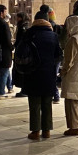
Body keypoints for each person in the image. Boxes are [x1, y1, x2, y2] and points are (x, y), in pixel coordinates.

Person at [21, 11, 62, 140]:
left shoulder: (29, 33)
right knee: (47, 103)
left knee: (34, 104)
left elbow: (21, 51)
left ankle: (35, 131)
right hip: (48, 73)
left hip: (32, 73)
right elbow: (59, 55)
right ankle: (47, 131)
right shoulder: (53, 35)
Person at [12, 12, 30, 97]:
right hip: (22, 51)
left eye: (18, 17)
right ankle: (24, 89)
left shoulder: (23, 27)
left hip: (22, 52)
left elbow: (20, 40)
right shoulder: (24, 26)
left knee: (22, 69)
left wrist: (14, 46)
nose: (17, 19)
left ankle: (24, 90)